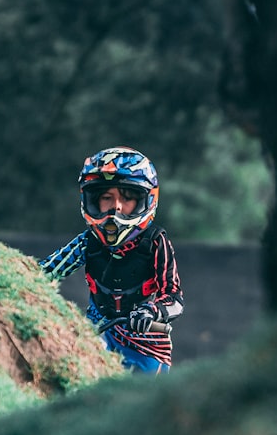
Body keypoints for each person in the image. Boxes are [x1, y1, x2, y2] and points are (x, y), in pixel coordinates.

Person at [39, 146, 183, 374]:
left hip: (147, 343)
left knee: (142, 400)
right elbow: (45, 272)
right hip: (96, 332)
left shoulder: (156, 241)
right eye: (107, 197)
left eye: (127, 198)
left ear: (146, 200)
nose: (116, 207)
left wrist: (151, 312)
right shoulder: (88, 241)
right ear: (93, 201)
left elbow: (174, 298)